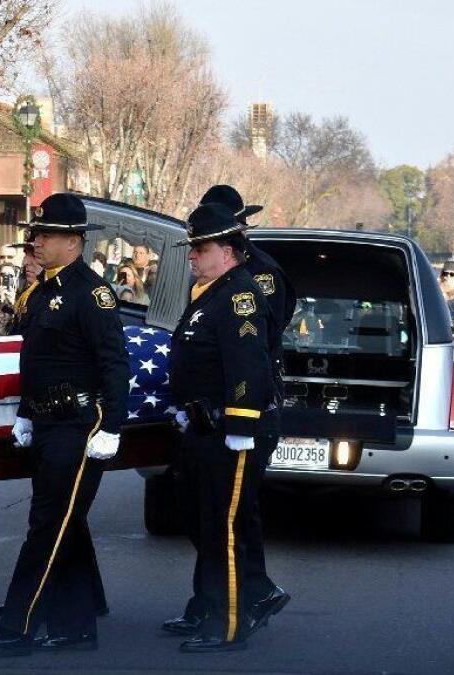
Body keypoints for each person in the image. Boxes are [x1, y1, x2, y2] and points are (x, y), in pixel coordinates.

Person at [0, 193, 129, 655]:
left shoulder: (91, 292)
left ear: (73, 240)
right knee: (68, 524)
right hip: (45, 421)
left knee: (48, 525)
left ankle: (18, 626)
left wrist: (112, 427)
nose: (36, 242)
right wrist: (25, 412)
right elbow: (36, 361)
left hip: (78, 423)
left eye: (44, 235)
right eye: (36, 234)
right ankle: (77, 626)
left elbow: (115, 363)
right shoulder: (41, 292)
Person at [158, 185, 294, 642]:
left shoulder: (241, 294)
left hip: (233, 425)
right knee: (205, 520)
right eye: (191, 246)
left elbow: (248, 362)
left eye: (200, 246)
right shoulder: (211, 291)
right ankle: (214, 604)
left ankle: (230, 619)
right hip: (205, 424)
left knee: (227, 524)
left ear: (230, 249)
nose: (191, 255)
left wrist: (239, 423)